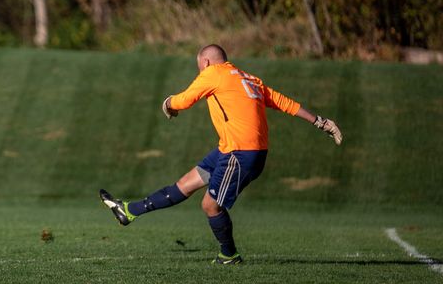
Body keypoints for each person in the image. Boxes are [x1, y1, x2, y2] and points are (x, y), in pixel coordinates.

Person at [99, 44, 343, 264]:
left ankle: (229, 255)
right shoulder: (249, 79)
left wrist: (168, 103)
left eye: (199, 68)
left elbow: (183, 100)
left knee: (210, 206)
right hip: (232, 148)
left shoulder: (213, 74)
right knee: (185, 184)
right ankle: (129, 211)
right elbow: (283, 102)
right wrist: (320, 121)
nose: (200, 74)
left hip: (241, 152)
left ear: (205, 62)